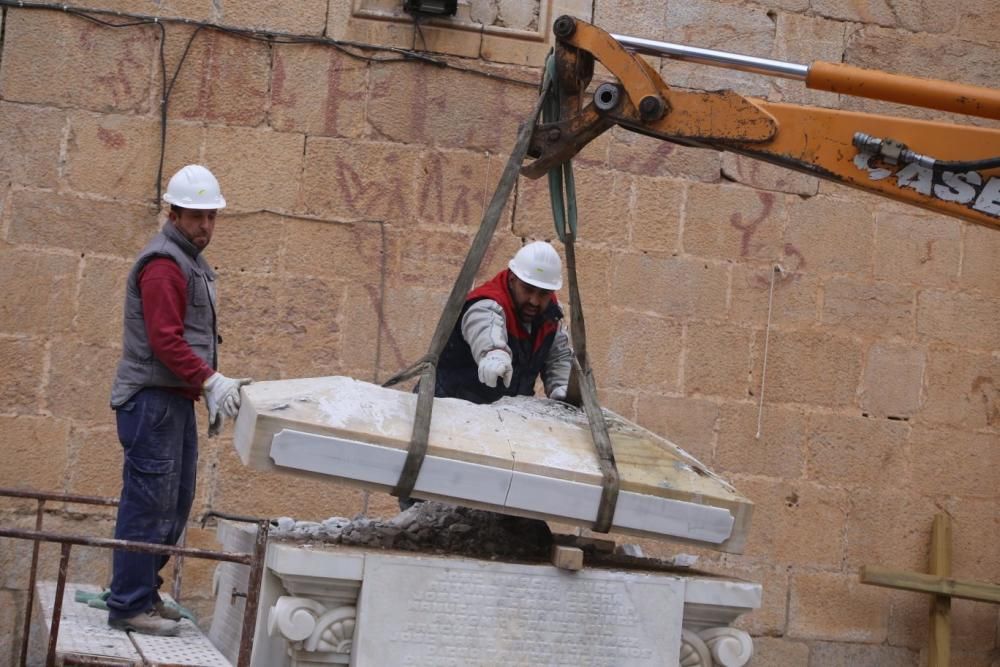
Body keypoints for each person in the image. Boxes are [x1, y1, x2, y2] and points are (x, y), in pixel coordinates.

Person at [106, 165, 250, 636]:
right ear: (174, 213)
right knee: (149, 505)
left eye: (211, 217)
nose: (205, 227)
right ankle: (128, 604)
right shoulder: (165, 264)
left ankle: (142, 592)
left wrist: (203, 385)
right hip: (151, 402)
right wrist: (210, 380)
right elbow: (165, 341)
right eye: (196, 217)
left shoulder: (188, 260)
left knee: (174, 502)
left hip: (172, 400)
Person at [436, 240, 573, 404]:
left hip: (506, 417)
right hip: (449, 406)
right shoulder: (487, 303)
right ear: (512, 279)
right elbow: (485, 327)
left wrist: (562, 387)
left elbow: (558, 358)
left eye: (544, 293)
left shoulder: (550, 316)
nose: (534, 301)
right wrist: (494, 354)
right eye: (528, 289)